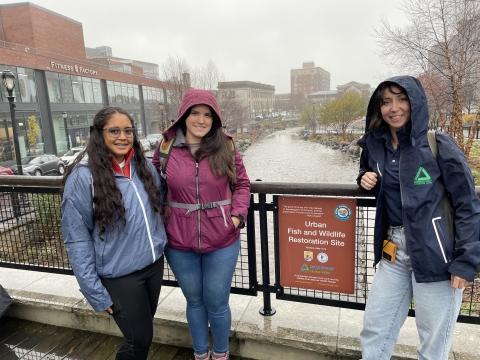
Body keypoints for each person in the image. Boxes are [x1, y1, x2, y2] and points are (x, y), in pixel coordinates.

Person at [356, 76, 480, 360]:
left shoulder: (437, 144)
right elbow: (368, 170)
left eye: (402, 99)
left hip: (438, 255)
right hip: (394, 250)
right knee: (375, 328)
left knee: (432, 343)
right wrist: (364, 177)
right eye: (386, 102)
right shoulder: (377, 146)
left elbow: (468, 203)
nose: (394, 108)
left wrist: (465, 261)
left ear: (415, 103)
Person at [61, 106, 167, 360]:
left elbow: (160, 203)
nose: (123, 136)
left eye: (128, 130)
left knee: (142, 335)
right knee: (138, 341)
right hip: (120, 276)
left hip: (152, 266)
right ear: (99, 134)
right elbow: (76, 238)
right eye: (114, 130)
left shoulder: (143, 168)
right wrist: (93, 290)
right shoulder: (83, 177)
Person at [152, 89, 250, 360]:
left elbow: (242, 184)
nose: (201, 119)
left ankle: (220, 354)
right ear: (183, 115)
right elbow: (152, 187)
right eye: (195, 112)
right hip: (178, 242)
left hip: (222, 240)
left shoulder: (226, 146)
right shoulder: (165, 148)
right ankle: (200, 353)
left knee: (217, 303)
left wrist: (236, 217)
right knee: (194, 301)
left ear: (215, 118)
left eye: (207, 114)